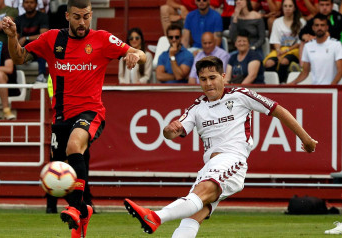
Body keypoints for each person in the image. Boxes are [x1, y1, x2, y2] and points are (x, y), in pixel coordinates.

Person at [124, 55, 318, 237]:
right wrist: (169, 129)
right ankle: (156, 218)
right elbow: (171, 133)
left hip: (233, 160)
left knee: (196, 200)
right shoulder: (197, 107)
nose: (208, 83)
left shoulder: (241, 95)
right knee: (192, 215)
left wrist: (306, 139)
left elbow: (278, 110)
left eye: (212, 77)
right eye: (203, 79)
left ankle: (155, 217)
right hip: (209, 167)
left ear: (223, 76)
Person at [1, 0, 146, 236]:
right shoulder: (51, 39)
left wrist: (135, 56)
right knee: (64, 169)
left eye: (87, 16)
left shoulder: (102, 39)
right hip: (60, 117)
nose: (82, 22)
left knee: (74, 145)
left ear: (92, 14)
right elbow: (20, 58)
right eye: (77, 17)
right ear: (67, 16)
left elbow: (141, 55)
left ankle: (77, 209)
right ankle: (82, 214)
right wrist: (12, 36)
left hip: (91, 112)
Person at [289, 13, 342, 85]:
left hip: (333, 90)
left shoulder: (336, 45)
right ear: (313, 27)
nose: (319, 28)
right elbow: (305, 72)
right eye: (317, 25)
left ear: (327, 27)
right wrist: (292, 83)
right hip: (316, 90)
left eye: (322, 25)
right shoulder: (308, 46)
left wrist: (331, 87)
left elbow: (340, 71)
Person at [263, 0, 305, 83]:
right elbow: (275, 40)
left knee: (284, 61)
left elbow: (300, 43)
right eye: (285, 6)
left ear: (294, 8)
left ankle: (282, 83)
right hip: (280, 50)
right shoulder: (277, 22)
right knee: (269, 63)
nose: (287, 9)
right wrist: (279, 51)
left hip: (294, 50)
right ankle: (272, 83)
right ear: (282, 8)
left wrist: (286, 51)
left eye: (290, 6)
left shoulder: (301, 22)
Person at [15, 0, 49, 83]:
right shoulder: (19, 19)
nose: (29, 5)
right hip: (24, 48)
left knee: (42, 50)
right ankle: (13, 78)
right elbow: (15, 37)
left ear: (36, 4)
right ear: (22, 4)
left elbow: (44, 35)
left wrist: (26, 38)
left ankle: (41, 76)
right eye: (26, 2)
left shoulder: (42, 17)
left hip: (38, 47)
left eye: (31, 2)